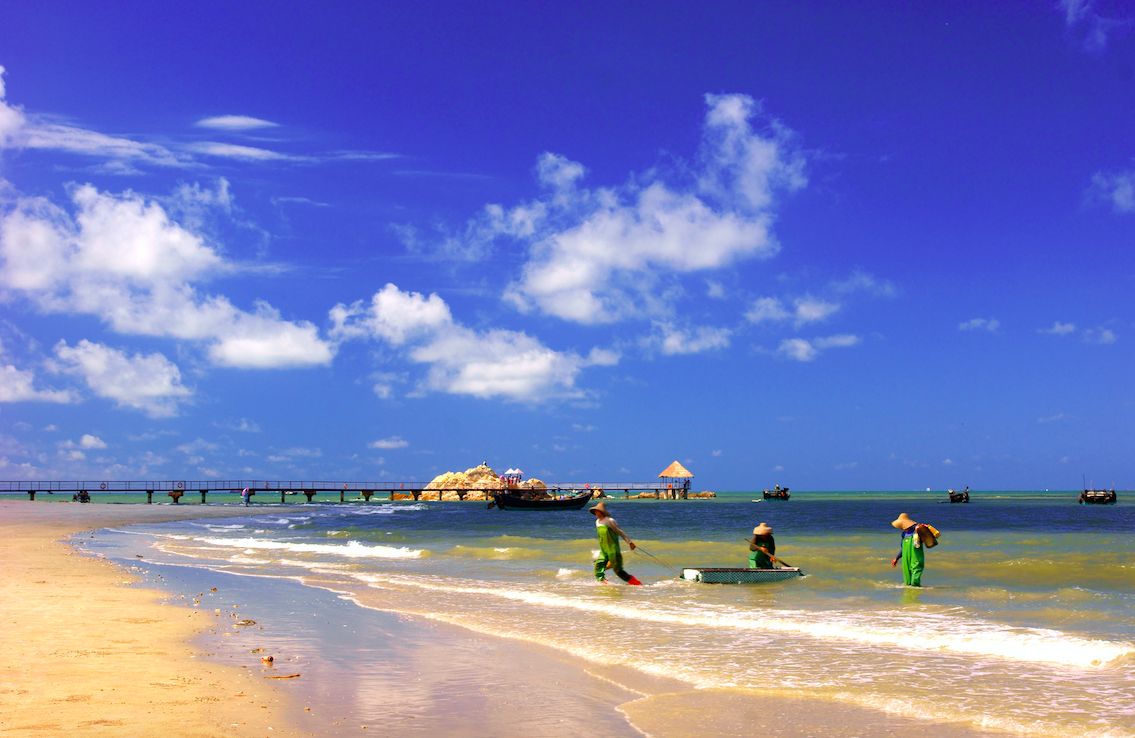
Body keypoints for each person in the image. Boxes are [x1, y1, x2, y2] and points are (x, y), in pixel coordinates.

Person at [589, 502, 642, 585]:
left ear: (601, 512)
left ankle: (636, 583)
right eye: (595, 511)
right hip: (604, 549)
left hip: (613, 549)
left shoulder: (610, 521)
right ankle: (604, 584)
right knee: (598, 566)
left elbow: (620, 532)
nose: (595, 513)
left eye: (597, 511)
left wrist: (630, 542)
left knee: (618, 571)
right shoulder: (597, 522)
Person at [889, 512, 938, 587]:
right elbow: (903, 548)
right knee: (907, 582)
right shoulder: (903, 534)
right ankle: (909, 592)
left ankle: (916, 590)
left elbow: (931, 538)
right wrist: (896, 558)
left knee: (915, 577)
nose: (900, 528)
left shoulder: (918, 530)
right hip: (906, 559)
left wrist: (924, 529)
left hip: (916, 557)